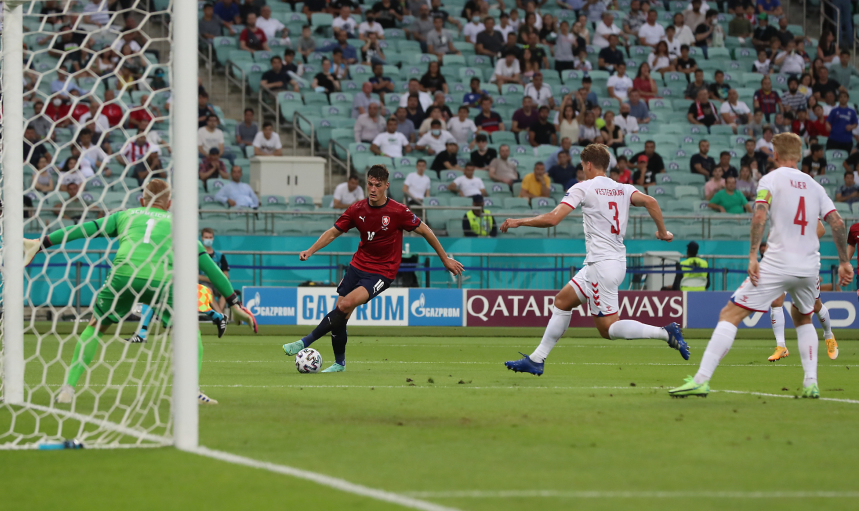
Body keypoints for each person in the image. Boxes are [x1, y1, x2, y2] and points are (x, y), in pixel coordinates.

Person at [22, 179, 257, 405]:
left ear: (142, 202)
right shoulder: (179, 225)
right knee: (189, 330)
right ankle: (191, 391)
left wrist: (42, 243)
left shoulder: (125, 215)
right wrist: (234, 304)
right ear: (169, 204)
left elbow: (82, 230)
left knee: (96, 325)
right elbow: (212, 269)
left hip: (123, 274)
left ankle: (67, 390)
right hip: (161, 281)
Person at [670, 133, 853, 399]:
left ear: (776, 155)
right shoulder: (815, 187)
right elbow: (837, 223)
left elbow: (759, 215)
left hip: (777, 262)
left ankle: (701, 380)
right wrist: (844, 262)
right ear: (798, 155)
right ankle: (811, 383)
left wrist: (753, 255)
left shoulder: (770, 179)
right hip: (808, 266)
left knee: (730, 314)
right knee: (803, 318)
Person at [501, 144, 688, 376]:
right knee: (562, 301)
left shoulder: (584, 187)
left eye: (582, 166)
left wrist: (520, 221)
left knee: (608, 329)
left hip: (601, 265)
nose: (582, 170)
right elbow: (652, 202)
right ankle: (536, 359)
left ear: (588, 165)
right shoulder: (623, 188)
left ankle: (666, 333)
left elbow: (553, 219)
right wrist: (662, 232)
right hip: (609, 262)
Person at [282, 165, 464, 372]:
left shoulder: (398, 211)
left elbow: (426, 231)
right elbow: (333, 232)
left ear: (386, 186)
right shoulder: (357, 209)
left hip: (382, 272)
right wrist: (311, 250)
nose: (373, 189)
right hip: (357, 266)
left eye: (378, 185)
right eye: (370, 184)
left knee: (345, 304)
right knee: (340, 314)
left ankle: (304, 342)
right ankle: (339, 363)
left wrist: (444, 259)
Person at [767, 227, 839, 362]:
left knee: (816, 306)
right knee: (775, 301)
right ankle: (781, 346)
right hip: (784, 264)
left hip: (805, 264)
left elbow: (821, 229)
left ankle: (829, 336)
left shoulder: (807, 212)